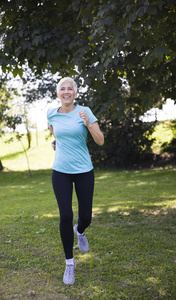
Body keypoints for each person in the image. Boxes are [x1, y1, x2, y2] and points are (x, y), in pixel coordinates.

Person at [47, 77, 104, 285]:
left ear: (76, 94)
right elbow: (55, 132)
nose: (66, 91)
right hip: (61, 171)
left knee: (86, 217)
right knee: (65, 215)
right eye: (62, 88)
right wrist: (57, 142)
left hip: (83, 171)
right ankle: (69, 264)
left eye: (70, 88)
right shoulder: (51, 113)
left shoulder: (85, 111)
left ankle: (79, 230)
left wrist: (88, 124)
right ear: (58, 94)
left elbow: (100, 140)